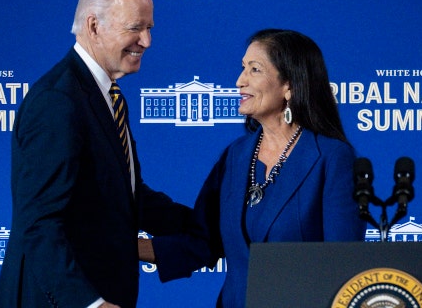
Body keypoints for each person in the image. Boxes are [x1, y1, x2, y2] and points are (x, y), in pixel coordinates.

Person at [139, 29, 367, 307]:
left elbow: (342, 268)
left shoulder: (332, 158)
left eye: (254, 69)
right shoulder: (235, 156)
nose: (239, 81)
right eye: (242, 68)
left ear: (290, 85)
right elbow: (203, 241)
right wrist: (120, 247)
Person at [0, 0, 192, 307]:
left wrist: (202, 226)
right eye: (135, 28)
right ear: (94, 26)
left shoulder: (106, 95)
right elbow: (39, 223)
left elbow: (123, 197)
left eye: (149, 28)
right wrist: (90, 303)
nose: (146, 41)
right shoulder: (58, 101)